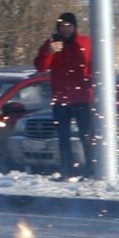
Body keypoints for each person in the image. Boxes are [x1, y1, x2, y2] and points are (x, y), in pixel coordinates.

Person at [35, 12, 95, 177]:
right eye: (62, 26)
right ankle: (66, 170)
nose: (65, 29)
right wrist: (49, 52)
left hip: (83, 97)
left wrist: (90, 81)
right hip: (60, 99)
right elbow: (40, 67)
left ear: (75, 26)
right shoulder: (51, 44)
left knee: (86, 135)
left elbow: (94, 66)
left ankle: (92, 168)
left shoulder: (86, 43)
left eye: (69, 26)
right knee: (63, 136)